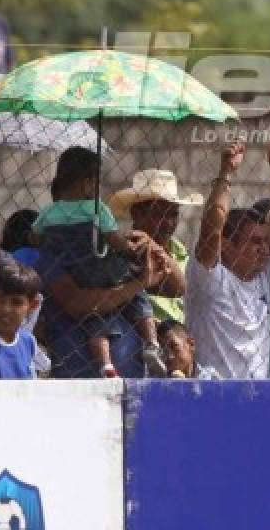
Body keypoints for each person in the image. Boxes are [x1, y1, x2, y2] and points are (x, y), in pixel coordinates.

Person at [33, 148, 164, 378]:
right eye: (96, 183)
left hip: (72, 271)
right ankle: (152, 342)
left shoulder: (48, 212)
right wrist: (131, 250)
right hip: (98, 269)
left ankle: (105, 364)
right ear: (86, 184)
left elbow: (34, 237)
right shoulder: (96, 209)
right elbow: (114, 239)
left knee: (96, 314)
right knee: (137, 292)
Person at [187, 141, 270, 380]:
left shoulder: (265, 278)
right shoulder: (209, 277)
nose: (264, 249)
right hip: (215, 395)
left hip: (256, 397)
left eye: (265, 241)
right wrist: (226, 173)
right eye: (255, 242)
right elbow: (211, 229)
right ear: (226, 246)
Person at [108, 169, 200, 324]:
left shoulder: (179, 250)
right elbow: (178, 288)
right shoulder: (127, 249)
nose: (168, 223)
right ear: (136, 214)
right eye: (159, 214)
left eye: (173, 214)